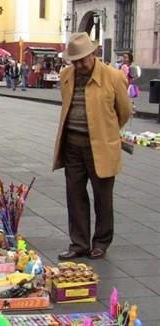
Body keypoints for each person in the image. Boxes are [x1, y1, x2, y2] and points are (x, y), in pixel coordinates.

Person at [53, 32, 132, 260]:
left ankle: (101, 242)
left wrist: (106, 129)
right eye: (74, 61)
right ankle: (79, 244)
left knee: (102, 197)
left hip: (102, 147)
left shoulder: (113, 76)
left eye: (82, 60)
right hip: (72, 146)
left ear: (94, 54)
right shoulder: (67, 75)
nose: (79, 65)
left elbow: (124, 111)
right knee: (75, 195)